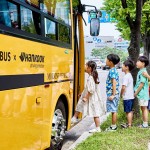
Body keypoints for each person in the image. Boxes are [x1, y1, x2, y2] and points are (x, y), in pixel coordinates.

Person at [71, 60, 105, 133]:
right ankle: (74, 117)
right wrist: (82, 94)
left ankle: (97, 128)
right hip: (91, 96)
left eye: (86, 65)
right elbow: (88, 88)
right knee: (82, 105)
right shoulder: (92, 76)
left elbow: (91, 89)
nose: (84, 67)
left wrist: (86, 97)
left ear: (89, 68)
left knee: (95, 112)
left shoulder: (91, 77)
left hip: (91, 97)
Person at [105, 54, 120, 131]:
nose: (105, 60)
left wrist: (113, 95)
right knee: (113, 110)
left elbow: (114, 82)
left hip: (113, 94)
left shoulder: (112, 71)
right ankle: (112, 126)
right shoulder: (113, 70)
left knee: (113, 110)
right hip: (113, 93)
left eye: (106, 59)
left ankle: (113, 127)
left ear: (110, 62)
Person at [134, 56, 149, 128]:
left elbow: (141, 84)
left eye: (138, 61)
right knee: (143, 108)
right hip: (142, 94)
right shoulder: (141, 71)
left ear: (143, 63)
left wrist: (136, 92)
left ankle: (145, 124)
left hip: (143, 94)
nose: (136, 63)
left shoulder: (143, 72)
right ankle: (144, 123)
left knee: (144, 108)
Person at [120, 59, 135, 128]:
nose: (122, 67)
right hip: (131, 96)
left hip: (127, 97)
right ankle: (129, 123)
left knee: (128, 111)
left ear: (127, 67)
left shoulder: (126, 77)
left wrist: (121, 94)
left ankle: (129, 125)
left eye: (123, 65)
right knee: (130, 110)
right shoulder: (129, 75)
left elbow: (123, 87)